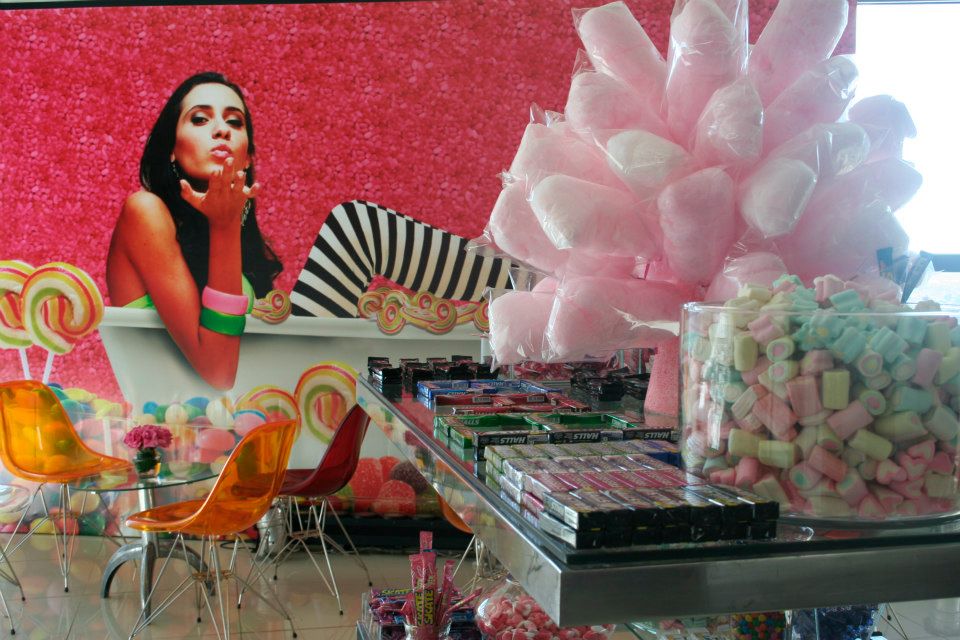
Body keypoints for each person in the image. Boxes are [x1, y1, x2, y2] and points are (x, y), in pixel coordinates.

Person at [107, 72, 282, 390]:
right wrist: (225, 227)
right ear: (172, 149)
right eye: (200, 119)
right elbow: (219, 373)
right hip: (175, 416)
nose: (222, 130)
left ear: (247, 157)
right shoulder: (145, 211)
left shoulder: (234, 238)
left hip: (253, 407)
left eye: (235, 122)